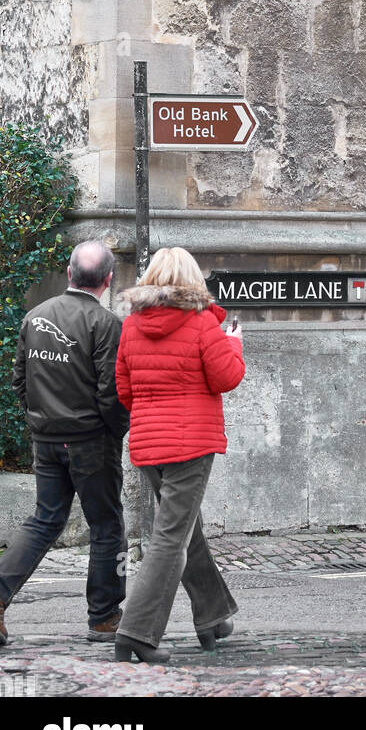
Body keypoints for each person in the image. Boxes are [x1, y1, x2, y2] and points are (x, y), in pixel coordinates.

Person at [0, 241, 130, 648]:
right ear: (107, 280)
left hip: (47, 438)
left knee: (45, 520)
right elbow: (112, 393)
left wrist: (41, 420)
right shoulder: (106, 324)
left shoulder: (35, 317)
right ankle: (104, 616)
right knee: (107, 526)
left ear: (70, 274)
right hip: (90, 441)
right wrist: (115, 431)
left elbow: (20, 380)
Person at [113, 246, 245, 664]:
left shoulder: (132, 325)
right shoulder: (203, 322)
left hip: (149, 446)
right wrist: (235, 345)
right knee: (171, 538)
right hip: (190, 445)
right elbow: (227, 377)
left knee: (188, 530)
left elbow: (124, 390)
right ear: (192, 280)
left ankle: (212, 615)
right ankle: (136, 631)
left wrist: (154, 418)